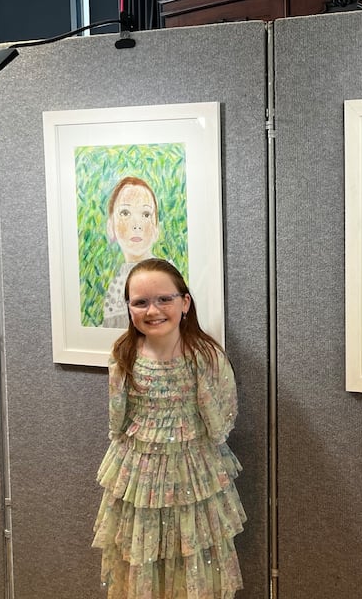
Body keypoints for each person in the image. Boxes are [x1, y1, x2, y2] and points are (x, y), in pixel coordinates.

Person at [92, 258, 245, 599]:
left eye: (164, 299)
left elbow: (222, 419)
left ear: (184, 302)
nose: (153, 310)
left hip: (193, 474)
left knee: (192, 557)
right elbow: (118, 421)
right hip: (138, 476)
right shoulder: (124, 354)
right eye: (140, 302)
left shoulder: (204, 356)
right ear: (129, 307)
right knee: (141, 557)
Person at [102, 177, 161, 328]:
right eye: (125, 213)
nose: (136, 224)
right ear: (111, 226)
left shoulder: (166, 277)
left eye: (146, 214)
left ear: (156, 228)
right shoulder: (115, 287)